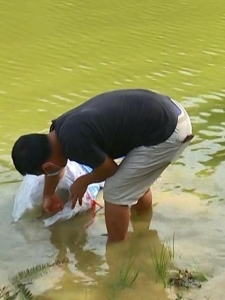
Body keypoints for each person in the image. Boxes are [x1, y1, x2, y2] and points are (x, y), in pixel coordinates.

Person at [11, 88, 193, 243]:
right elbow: (55, 169)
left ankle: (117, 251)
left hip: (168, 131)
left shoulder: (74, 142)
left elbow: (109, 169)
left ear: (47, 166)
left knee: (115, 191)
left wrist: (84, 181)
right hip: (171, 112)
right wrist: (48, 195)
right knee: (131, 180)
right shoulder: (58, 131)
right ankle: (143, 231)